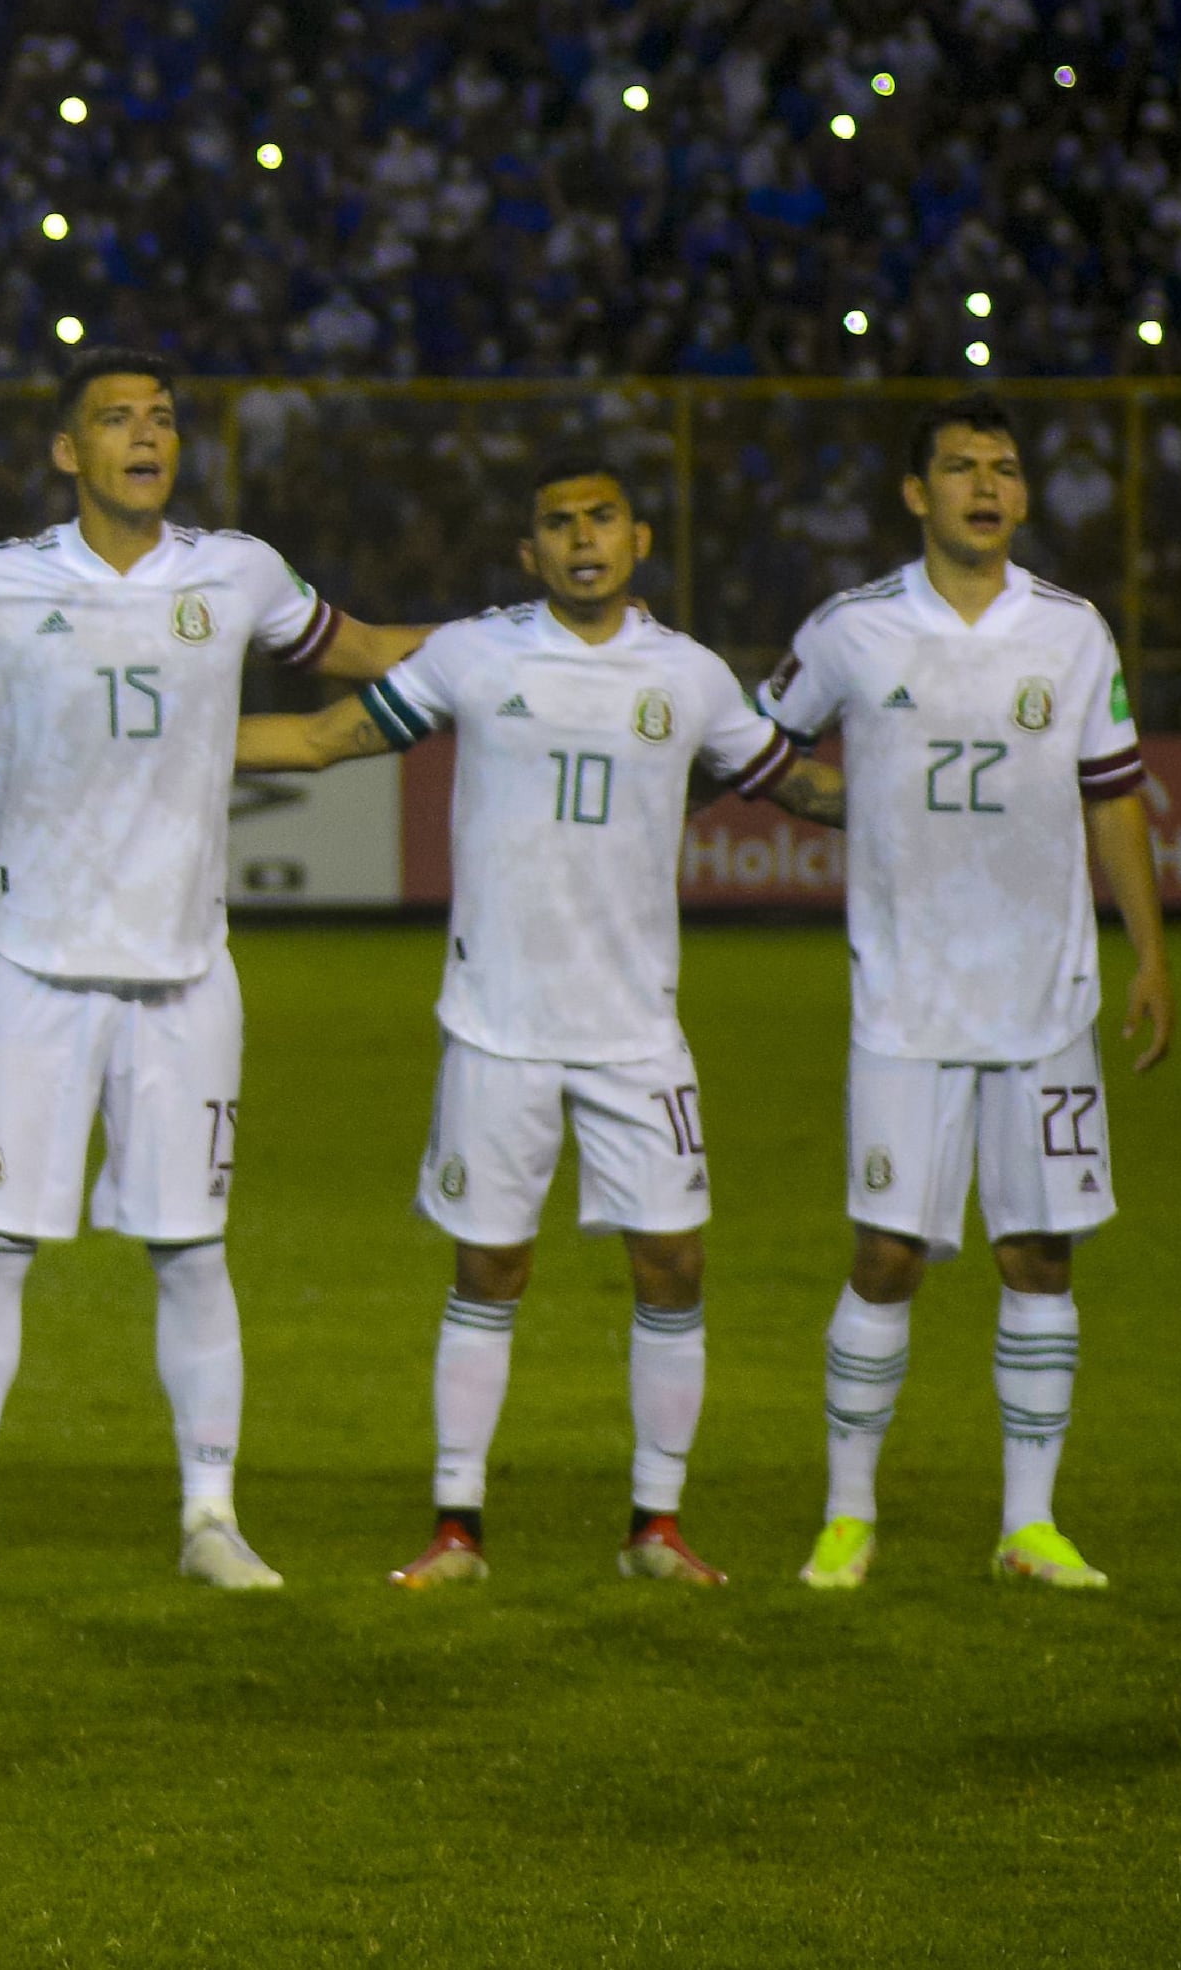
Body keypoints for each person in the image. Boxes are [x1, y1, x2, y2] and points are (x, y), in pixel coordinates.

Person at [0, 352, 421, 1596]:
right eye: (115, 418)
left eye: (161, 416)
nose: (145, 434)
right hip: (33, 975)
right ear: (68, 454)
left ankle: (209, 1516)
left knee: (192, 1253)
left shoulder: (239, 569)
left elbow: (363, 649)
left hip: (184, 976)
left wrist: (523, 647)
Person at [235, 460, 827, 1587]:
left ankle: (654, 1525)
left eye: (598, 516)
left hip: (634, 1028)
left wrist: (958, 802)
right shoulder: (474, 652)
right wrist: (169, 745)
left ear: (637, 536)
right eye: (555, 523)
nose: (579, 536)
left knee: (672, 1263)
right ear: (528, 554)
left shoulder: (690, 674)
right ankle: (456, 1525)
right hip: (495, 1024)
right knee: (487, 1266)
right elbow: (321, 737)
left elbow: (792, 785)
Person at [756, 399, 1175, 1593]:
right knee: (886, 1253)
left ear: (1022, 497)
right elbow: (754, 744)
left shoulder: (1072, 632)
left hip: (1045, 1001)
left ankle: (1027, 1524)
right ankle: (846, 1516)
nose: (981, 485)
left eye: (1001, 467)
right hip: (904, 1004)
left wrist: (1147, 951)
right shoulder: (851, 629)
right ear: (913, 493)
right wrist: (843, 801)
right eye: (957, 467)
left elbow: (1110, 794)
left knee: (1039, 1252)